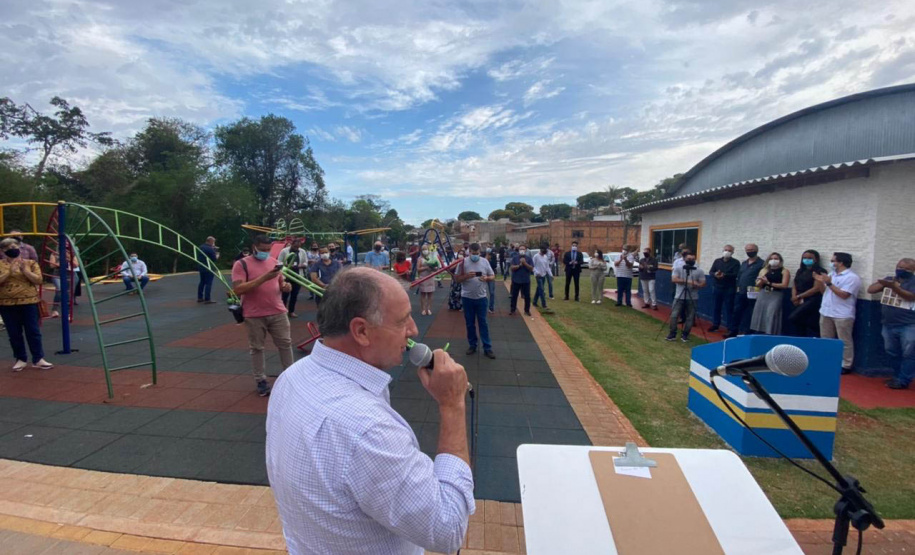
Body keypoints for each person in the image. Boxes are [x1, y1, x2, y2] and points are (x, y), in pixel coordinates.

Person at [266, 268, 474, 555]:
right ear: (361, 331)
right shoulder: (367, 429)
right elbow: (447, 530)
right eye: (402, 321)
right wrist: (452, 405)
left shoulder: (292, 378)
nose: (413, 330)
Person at [232, 235, 294, 397]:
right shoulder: (241, 264)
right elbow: (238, 289)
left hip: (277, 310)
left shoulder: (274, 262)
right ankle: (261, 380)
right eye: (263, 250)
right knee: (257, 348)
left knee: (285, 344)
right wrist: (264, 278)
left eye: (268, 250)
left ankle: (291, 377)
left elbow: (280, 284)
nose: (266, 253)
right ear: (255, 247)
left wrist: (286, 286)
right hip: (254, 314)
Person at [0, 238, 53, 370]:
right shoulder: (1, 265)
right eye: (8, 247)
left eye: (15, 246)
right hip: (7, 303)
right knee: (14, 332)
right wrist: (9, 272)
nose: (12, 249)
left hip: (29, 301)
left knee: (33, 331)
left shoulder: (30, 263)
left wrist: (26, 271)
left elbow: (39, 280)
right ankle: (20, 358)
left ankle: (38, 358)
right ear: (3, 251)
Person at [866, 258, 915, 389]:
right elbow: (871, 290)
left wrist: (894, 287)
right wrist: (884, 284)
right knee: (891, 351)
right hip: (888, 323)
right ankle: (897, 375)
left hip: (909, 324)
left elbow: (910, 297)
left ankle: (904, 380)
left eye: (906, 269)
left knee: (909, 353)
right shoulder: (890, 279)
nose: (901, 270)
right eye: (899, 267)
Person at [815, 252, 861, 374]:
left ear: (840, 262)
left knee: (844, 340)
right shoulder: (832, 274)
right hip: (826, 311)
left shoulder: (852, 278)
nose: (831, 263)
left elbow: (844, 295)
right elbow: (824, 291)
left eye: (833, 261)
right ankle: (827, 361)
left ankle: (846, 364)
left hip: (843, 314)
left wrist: (829, 283)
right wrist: (820, 281)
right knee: (826, 339)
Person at [455, 243, 496, 358]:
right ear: (469, 252)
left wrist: (487, 278)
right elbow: (457, 279)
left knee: (483, 323)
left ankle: (487, 347)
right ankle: (472, 344)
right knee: (470, 323)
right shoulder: (463, 262)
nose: (475, 256)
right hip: (467, 297)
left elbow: (492, 275)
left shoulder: (484, 262)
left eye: (477, 253)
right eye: (473, 254)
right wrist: (466, 276)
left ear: (480, 252)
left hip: (481, 298)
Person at [727, 244, 764, 338]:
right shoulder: (744, 263)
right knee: (737, 311)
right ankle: (733, 330)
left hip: (753, 289)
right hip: (741, 289)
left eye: (751, 249)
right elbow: (739, 276)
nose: (749, 251)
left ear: (756, 250)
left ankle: (747, 332)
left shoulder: (762, 263)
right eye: (747, 250)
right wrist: (738, 288)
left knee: (750, 312)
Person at [667, 252, 706, 342]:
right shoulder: (678, 268)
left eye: (693, 259)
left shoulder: (699, 271)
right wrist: (688, 281)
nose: (691, 261)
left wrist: (698, 285)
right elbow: (674, 279)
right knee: (674, 315)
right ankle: (672, 333)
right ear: (684, 259)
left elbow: (703, 283)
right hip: (679, 296)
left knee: (690, 317)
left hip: (693, 296)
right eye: (689, 259)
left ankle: (685, 335)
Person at [750, 252, 791, 335]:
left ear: (780, 261)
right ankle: (759, 331)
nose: (773, 260)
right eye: (771, 259)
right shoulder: (764, 270)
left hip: (776, 294)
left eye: (776, 259)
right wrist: (760, 280)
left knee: (771, 313)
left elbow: (784, 285)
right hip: (763, 293)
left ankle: (771, 332)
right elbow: (757, 284)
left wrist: (769, 282)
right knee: (760, 313)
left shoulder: (784, 271)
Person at [789, 250, 826, 337]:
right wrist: (794, 296)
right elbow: (795, 284)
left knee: (794, 317)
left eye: (810, 258)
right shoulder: (800, 270)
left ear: (816, 259)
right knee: (799, 323)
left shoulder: (819, 271)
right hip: (798, 298)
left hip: (812, 299)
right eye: (805, 258)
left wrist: (799, 296)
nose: (807, 260)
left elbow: (816, 288)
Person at [708, 245, 740, 332]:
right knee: (716, 307)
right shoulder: (717, 261)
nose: (727, 252)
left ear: (732, 252)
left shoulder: (736, 262)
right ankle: (715, 324)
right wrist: (715, 274)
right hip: (717, 287)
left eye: (729, 250)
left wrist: (725, 275)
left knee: (729, 308)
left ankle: (730, 327)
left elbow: (736, 274)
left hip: (729, 288)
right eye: (725, 250)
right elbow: (711, 272)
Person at [279, 239, 306, 318]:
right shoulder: (284, 251)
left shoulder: (302, 251)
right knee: (284, 295)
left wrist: (300, 266)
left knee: (294, 295)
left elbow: (305, 262)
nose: (296, 248)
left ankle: (291, 311)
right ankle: (282, 312)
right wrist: (287, 265)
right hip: (286, 276)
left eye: (298, 247)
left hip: (297, 276)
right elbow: (279, 262)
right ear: (291, 244)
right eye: (295, 246)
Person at [510, 244, 533, 316]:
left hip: (526, 280)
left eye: (523, 249)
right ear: (518, 250)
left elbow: (531, 268)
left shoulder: (529, 259)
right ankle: (512, 310)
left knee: (527, 296)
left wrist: (525, 263)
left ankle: (527, 310)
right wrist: (519, 265)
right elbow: (512, 267)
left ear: (526, 250)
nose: (522, 250)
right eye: (520, 249)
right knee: (514, 296)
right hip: (516, 280)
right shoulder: (515, 258)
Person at [417, 246, 440, 315]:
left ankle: (429, 308)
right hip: (423, 277)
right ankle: (423, 309)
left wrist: (435, 267)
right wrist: (426, 267)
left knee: (430, 293)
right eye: (423, 249)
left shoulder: (432, 258)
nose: (425, 251)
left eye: (426, 249)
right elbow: (418, 269)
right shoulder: (420, 259)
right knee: (423, 293)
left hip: (430, 277)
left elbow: (436, 268)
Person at [197, 236, 219, 304]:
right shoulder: (210, 249)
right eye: (213, 242)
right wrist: (217, 254)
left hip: (201, 267)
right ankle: (207, 299)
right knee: (208, 283)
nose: (214, 243)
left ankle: (200, 297)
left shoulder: (201, 247)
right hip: (209, 267)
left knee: (202, 282)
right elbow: (214, 259)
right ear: (211, 241)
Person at [532, 244, 552, 310]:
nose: (545, 251)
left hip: (543, 275)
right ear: (541, 249)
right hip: (538, 276)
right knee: (541, 290)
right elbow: (532, 266)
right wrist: (537, 272)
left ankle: (534, 302)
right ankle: (544, 305)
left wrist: (551, 275)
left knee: (539, 289)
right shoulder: (536, 256)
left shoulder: (545, 257)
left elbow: (547, 267)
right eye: (544, 249)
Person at [484, 244, 499, 313]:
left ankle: (491, 307)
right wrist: (486, 259)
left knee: (492, 292)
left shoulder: (493, 256)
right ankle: (482, 306)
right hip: (483, 275)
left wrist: (488, 260)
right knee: (482, 292)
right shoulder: (482, 255)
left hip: (491, 275)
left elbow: (494, 265)